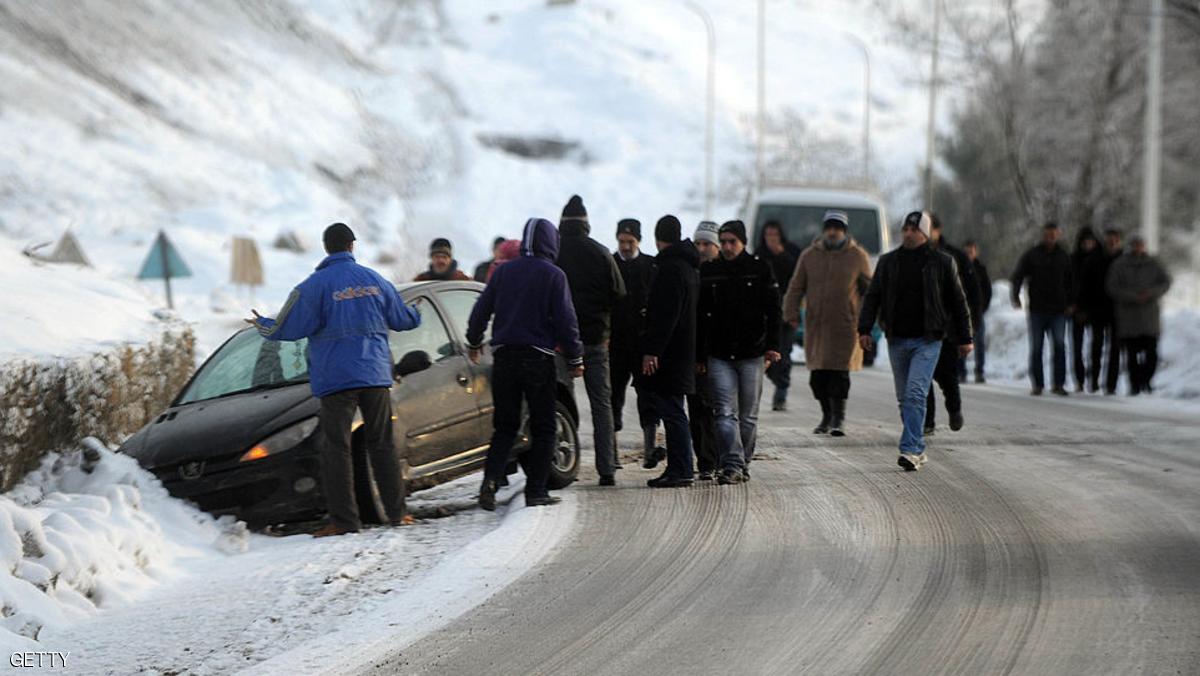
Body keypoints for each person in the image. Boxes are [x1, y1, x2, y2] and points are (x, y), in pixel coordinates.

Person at [247, 223, 421, 537]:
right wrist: (417, 313)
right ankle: (398, 514)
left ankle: (345, 521)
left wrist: (262, 324)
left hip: (337, 380)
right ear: (352, 246)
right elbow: (403, 319)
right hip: (374, 375)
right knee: (381, 444)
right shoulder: (376, 280)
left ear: (326, 248)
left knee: (336, 449)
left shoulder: (313, 287)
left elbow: (288, 328)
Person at [466, 218, 585, 510]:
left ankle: (490, 484)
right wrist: (575, 357)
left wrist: (473, 340)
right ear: (550, 243)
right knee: (544, 427)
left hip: (504, 357)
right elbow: (566, 321)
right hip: (537, 357)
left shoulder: (503, 271)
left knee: (505, 426)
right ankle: (536, 490)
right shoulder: (554, 275)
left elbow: (481, 310)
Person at [858, 211, 972, 472]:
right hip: (897, 338)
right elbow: (872, 296)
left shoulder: (942, 263)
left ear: (925, 232)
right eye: (905, 229)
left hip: (928, 339)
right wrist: (864, 329)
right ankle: (916, 443)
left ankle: (911, 448)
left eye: (914, 229)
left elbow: (958, 301)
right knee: (904, 398)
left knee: (915, 393)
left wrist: (965, 337)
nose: (908, 233)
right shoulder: (888, 262)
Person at [697, 220, 781, 485]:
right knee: (723, 412)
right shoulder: (710, 271)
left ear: (743, 242)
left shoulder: (758, 269)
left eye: (732, 241)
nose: (727, 247)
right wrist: (699, 355)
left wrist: (773, 346)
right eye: (723, 242)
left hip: (751, 353)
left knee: (748, 415)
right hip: (719, 354)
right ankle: (731, 464)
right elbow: (700, 316)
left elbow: (773, 310)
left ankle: (742, 462)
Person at [556, 195, 627, 486]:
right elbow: (619, 294)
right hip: (596, 340)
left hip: (560, 342)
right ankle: (606, 468)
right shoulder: (600, 253)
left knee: (562, 402)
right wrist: (608, 330)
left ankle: (565, 462)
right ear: (586, 224)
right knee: (602, 403)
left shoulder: (553, 254)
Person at [782, 210, 872, 437]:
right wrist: (790, 312)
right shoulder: (809, 256)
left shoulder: (857, 256)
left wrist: (866, 320)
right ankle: (826, 415)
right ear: (824, 230)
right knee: (818, 378)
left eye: (838, 228)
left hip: (845, 325)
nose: (833, 232)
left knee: (839, 375)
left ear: (844, 231)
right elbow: (796, 287)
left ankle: (838, 419)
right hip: (817, 325)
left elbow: (869, 290)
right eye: (830, 227)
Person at [638, 215, 700, 488]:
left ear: (657, 239)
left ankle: (681, 469)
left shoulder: (669, 269)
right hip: (683, 349)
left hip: (670, 353)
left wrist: (652, 350)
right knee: (675, 410)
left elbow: (666, 315)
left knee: (672, 412)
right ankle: (681, 467)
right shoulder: (688, 267)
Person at [610, 218, 663, 469]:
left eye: (630, 241)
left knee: (648, 397)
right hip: (616, 345)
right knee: (612, 399)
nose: (625, 246)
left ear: (638, 241)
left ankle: (650, 449)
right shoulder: (608, 264)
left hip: (642, 345)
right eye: (621, 241)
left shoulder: (651, 265)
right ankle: (611, 452)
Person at [924, 214, 980, 433]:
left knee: (947, 376)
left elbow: (971, 294)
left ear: (938, 230)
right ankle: (927, 421)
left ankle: (954, 408)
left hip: (948, 330)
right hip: (923, 329)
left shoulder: (954, 257)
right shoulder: (913, 257)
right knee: (923, 377)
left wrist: (969, 328)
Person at [1010, 222, 1074, 396]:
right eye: (1047, 234)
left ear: (1058, 235)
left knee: (1060, 346)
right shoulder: (1032, 255)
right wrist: (1015, 296)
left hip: (1059, 310)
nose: (1050, 238)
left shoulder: (1064, 256)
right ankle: (1038, 384)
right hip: (1038, 309)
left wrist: (1071, 303)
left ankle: (1059, 383)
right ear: (1043, 235)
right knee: (1037, 347)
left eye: (1053, 235)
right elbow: (1018, 275)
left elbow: (1071, 281)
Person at [1106, 235, 1172, 396]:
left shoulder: (1153, 263)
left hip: (1149, 316)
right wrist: (1132, 296)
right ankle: (1135, 385)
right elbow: (1112, 287)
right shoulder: (1120, 264)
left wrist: (1151, 293)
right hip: (1128, 317)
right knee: (1131, 354)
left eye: (1141, 245)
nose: (1138, 248)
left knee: (1152, 353)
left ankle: (1146, 381)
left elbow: (1166, 282)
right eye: (1135, 245)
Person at [689, 221, 722, 480]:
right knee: (699, 407)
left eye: (707, 244)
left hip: (722, 351)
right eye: (698, 244)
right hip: (696, 351)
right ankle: (706, 460)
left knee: (717, 407)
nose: (701, 249)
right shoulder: (690, 271)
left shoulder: (724, 273)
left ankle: (718, 458)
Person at [757, 220, 802, 411]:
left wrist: (781, 254)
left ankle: (781, 392)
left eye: (775, 234)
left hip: (787, 312)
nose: (771, 238)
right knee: (767, 357)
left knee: (784, 353)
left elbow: (798, 278)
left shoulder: (791, 251)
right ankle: (777, 380)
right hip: (765, 314)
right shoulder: (760, 254)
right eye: (768, 234)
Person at [1070, 226, 1105, 392]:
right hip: (1077, 309)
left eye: (1090, 241)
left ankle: (1094, 379)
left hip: (1097, 310)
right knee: (1077, 348)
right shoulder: (1073, 260)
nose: (1088, 245)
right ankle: (1080, 378)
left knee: (1096, 348)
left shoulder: (1101, 260)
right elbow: (1068, 285)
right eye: (1085, 242)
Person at [1096, 228, 1126, 394]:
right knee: (1097, 346)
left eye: (1115, 240)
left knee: (1115, 348)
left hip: (1119, 310)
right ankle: (1094, 379)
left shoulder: (1125, 259)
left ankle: (1111, 384)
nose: (1112, 243)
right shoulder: (1096, 258)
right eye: (1109, 240)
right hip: (1099, 309)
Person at [962, 240, 992, 383]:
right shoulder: (958, 268)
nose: (970, 253)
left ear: (976, 252)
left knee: (979, 343)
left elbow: (987, 290)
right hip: (962, 312)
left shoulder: (981, 269)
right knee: (962, 342)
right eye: (967, 251)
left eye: (972, 251)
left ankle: (979, 371)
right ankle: (961, 371)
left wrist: (983, 307)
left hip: (977, 312)